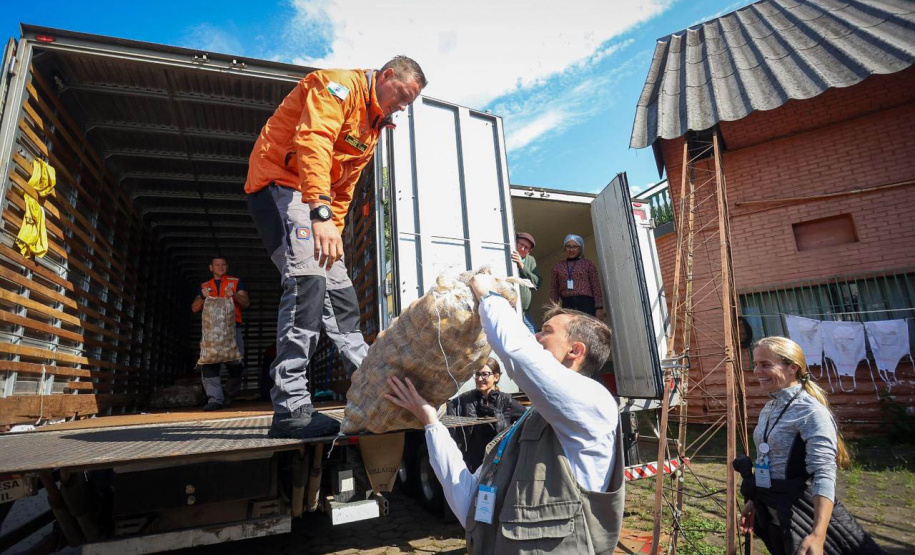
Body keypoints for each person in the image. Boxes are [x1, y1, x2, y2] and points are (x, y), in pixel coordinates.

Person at [245, 57, 427, 438]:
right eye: (403, 96)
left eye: (409, 103)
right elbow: (313, 142)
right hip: (280, 186)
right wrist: (320, 214)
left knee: (341, 293)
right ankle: (291, 407)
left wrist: (335, 232)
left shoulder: (373, 126)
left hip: (316, 203)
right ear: (387, 75)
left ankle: (376, 389)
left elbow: (344, 186)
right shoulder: (336, 86)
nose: (403, 107)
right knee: (307, 283)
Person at [386, 274, 625, 554]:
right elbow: (469, 498)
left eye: (546, 331)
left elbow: (520, 355)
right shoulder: (529, 422)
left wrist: (488, 296)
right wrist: (431, 422)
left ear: (576, 350)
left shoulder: (595, 402)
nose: (535, 336)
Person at [735, 337, 883, 555]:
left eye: (765, 364)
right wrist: (754, 503)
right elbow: (768, 459)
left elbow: (824, 473)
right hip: (774, 513)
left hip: (801, 516)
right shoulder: (770, 407)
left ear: (793, 367)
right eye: (756, 364)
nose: (757, 371)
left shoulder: (811, 412)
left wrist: (818, 535)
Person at [191, 258, 250, 411]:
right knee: (209, 363)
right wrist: (203, 297)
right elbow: (194, 308)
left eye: (223, 264)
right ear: (211, 267)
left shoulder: (236, 282)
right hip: (211, 330)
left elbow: (246, 303)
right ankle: (215, 399)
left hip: (233, 328)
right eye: (217, 264)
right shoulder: (204, 286)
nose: (220, 267)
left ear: (227, 266)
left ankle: (229, 393)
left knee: (237, 364)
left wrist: (235, 295)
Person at [447, 358, 524, 472]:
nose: (479, 378)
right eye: (477, 374)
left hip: (499, 464)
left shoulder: (506, 401)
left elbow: (525, 420)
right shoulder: (465, 400)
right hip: (473, 464)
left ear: (496, 377)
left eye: (485, 374)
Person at [550, 234, 605, 320]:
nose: (571, 249)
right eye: (568, 246)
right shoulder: (558, 266)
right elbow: (554, 288)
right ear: (565, 248)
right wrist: (553, 309)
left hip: (586, 304)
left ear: (580, 248)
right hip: (567, 304)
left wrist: (599, 308)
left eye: (575, 246)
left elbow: (596, 286)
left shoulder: (588, 264)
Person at [512, 232, 541, 333]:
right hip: (508, 308)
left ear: (529, 251)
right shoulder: (506, 253)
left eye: (526, 248)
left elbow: (537, 282)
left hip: (524, 311)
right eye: (520, 244)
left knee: (532, 337)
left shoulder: (530, 260)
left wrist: (521, 266)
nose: (522, 249)